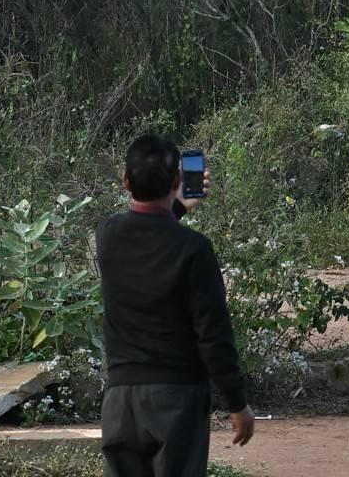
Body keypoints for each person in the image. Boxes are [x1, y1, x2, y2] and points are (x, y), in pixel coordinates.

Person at [96, 135, 254, 477]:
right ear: (178, 181)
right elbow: (213, 333)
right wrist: (236, 402)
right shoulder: (194, 249)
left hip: (121, 401)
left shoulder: (107, 236)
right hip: (177, 400)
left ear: (125, 181)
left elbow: (147, 231)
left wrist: (176, 206)